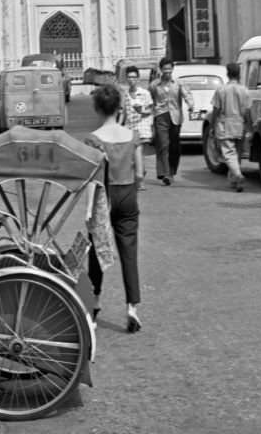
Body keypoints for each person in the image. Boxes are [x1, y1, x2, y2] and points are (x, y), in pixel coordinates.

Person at [86, 83, 142, 333]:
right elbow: (140, 172)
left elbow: (91, 178)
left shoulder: (94, 140)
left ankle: (95, 302)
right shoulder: (132, 136)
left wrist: (88, 211)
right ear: (119, 107)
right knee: (129, 253)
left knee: (97, 249)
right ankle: (132, 307)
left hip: (104, 195)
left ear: (98, 108)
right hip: (128, 193)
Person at [149, 57, 194, 185]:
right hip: (160, 116)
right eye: (165, 69)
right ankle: (165, 173)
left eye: (169, 69)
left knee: (174, 147)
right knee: (163, 144)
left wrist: (191, 104)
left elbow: (187, 95)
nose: (167, 72)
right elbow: (150, 100)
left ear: (172, 69)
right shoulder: (154, 85)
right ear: (161, 70)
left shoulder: (178, 83)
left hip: (175, 117)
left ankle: (172, 171)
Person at [209, 62, 251, 192]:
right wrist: (249, 126)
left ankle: (237, 175)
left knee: (228, 153)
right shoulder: (244, 90)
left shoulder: (221, 90)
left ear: (227, 74)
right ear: (239, 74)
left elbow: (216, 109)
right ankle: (234, 181)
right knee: (237, 153)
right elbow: (248, 111)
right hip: (240, 124)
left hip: (225, 124)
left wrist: (212, 124)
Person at [122, 65, 153, 191]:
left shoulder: (145, 93)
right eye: (129, 77)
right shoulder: (125, 95)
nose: (131, 80)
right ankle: (140, 173)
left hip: (142, 126)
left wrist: (142, 111)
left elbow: (151, 109)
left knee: (139, 152)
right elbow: (123, 112)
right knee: (134, 155)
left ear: (138, 79)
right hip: (130, 127)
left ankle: (140, 179)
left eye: (134, 77)